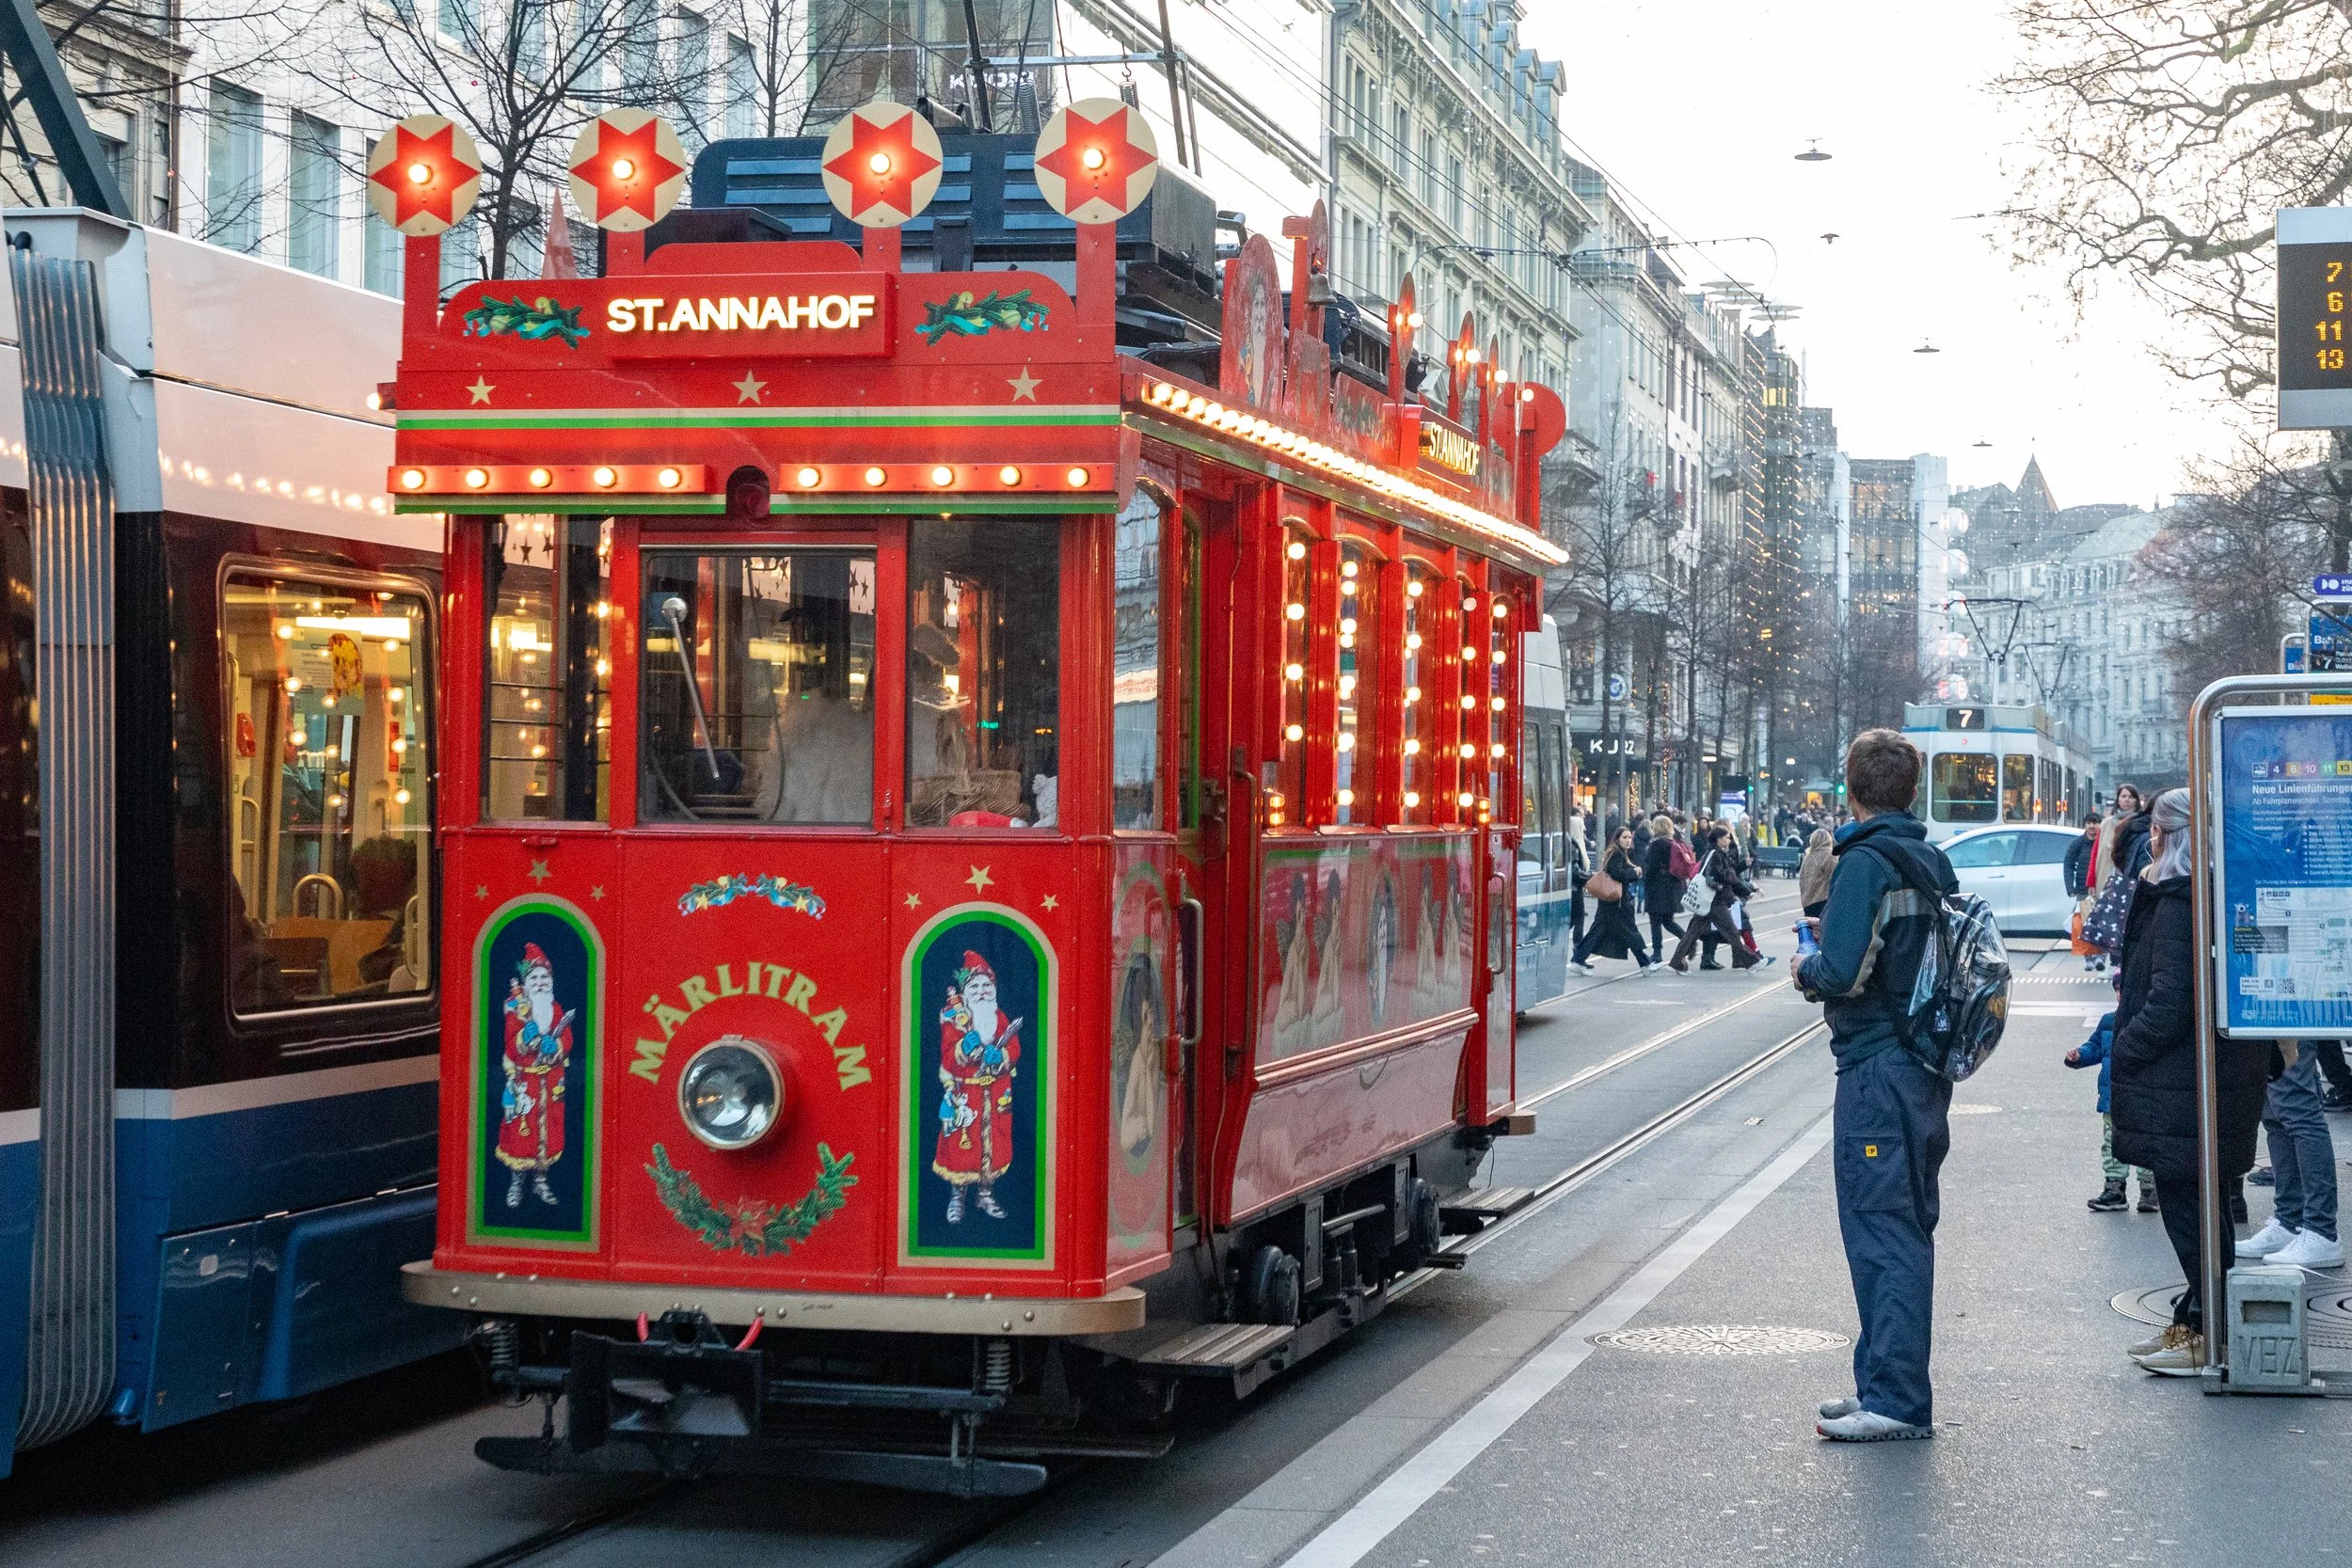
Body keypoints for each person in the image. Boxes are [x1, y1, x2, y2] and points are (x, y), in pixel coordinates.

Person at [1795, 729, 1955, 1441]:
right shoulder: (1929, 859)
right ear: (1911, 790)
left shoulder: (1864, 863)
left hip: (1874, 1068)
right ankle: (1881, 1381)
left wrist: (1804, 964)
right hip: (1921, 1064)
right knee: (1903, 1222)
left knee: (1881, 1229)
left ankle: (1893, 1400)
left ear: (1852, 790)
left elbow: (1836, 971)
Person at [2108, 787, 2269, 1374]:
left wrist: (2126, 1049)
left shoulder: (2179, 898)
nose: (2147, 835)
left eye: (2154, 826)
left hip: (2184, 1079)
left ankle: (2207, 1329)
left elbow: (2170, 1000)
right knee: (2201, 1203)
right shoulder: (2206, 888)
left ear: (2167, 834)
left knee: (2190, 1206)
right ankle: (2198, 1317)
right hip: (2206, 1075)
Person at [2236, 1041, 2344, 1269]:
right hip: (2270, 1013)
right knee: (2276, 1114)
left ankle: (2320, 1229)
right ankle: (2291, 1221)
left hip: (2284, 1011)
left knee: (2296, 1108)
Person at [2066, 1008, 2156, 1213]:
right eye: (2117, 989)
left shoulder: (2149, 1018)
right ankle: (2115, 1187)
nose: (2120, 994)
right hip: (2112, 1098)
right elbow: (2095, 1047)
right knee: (2111, 1143)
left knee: (2145, 1141)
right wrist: (2079, 1055)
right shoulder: (2109, 1021)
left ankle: (2149, 1188)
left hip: (2142, 1096)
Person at [1570, 824, 1658, 974]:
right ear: (1617, 839)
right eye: (1624, 837)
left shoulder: (1618, 853)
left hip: (1611, 902)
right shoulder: (1616, 853)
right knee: (1630, 932)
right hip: (1617, 903)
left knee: (1600, 932)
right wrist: (1634, 872)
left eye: (1630, 837)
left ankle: (1578, 959)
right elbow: (1616, 873)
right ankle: (1645, 964)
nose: (1628, 840)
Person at [1670, 827, 1758, 973]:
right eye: (1727, 837)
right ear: (1719, 839)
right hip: (1714, 899)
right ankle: (1750, 961)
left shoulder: (1717, 852)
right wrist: (1730, 875)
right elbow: (1717, 875)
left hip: (1710, 899)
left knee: (1693, 932)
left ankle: (1676, 962)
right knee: (1731, 932)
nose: (1729, 840)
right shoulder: (1715, 854)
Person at [1643, 813, 1691, 960]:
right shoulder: (1674, 842)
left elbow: (1651, 868)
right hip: (1673, 887)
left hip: (1658, 887)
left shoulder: (1656, 844)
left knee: (1655, 921)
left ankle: (1657, 953)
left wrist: (1645, 879)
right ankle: (1688, 942)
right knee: (1668, 921)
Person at [2065, 813, 2105, 972]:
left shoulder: (2104, 844)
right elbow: (2068, 864)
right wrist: (2070, 887)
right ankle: (2089, 958)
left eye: (2095, 823)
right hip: (2083, 891)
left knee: (2102, 925)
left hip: (2101, 889)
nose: (2092, 827)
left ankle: (2101, 956)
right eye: (2089, 823)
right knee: (2084, 926)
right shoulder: (2078, 844)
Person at [1565, 807, 1592, 942]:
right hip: (1576, 889)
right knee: (1579, 919)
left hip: (1571, 888)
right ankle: (1578, 951)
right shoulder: (1575, 846)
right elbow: (1575, 872)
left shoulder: (1567, 843)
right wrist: (1590, 877)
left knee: (1573, 920)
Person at [1798, 827, 1836, 919]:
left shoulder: (1808, 857)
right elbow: (1834, 879)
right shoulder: (1830, 857)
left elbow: (1802, 879)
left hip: (1807, 902)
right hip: (1823, 901)